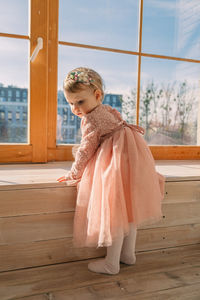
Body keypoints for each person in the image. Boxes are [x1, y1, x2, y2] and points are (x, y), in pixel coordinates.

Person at [57, 67, 165, 275]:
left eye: (80, 102)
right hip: (133, 158)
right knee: (130, 211)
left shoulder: (90, 119)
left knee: (115, 214)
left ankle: (111, 263)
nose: (75, 109)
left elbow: (86, 150)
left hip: (116, 162)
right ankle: (128, 255)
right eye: (70, 103)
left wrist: (74, 173)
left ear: (97, 95)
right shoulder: (106, 109)